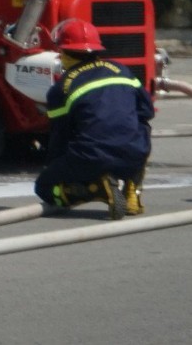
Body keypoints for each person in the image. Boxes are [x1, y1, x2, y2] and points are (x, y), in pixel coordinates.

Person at [35, 18, 153, 218]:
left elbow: (59, 136)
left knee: (44, 188)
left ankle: (96, 189)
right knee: (141, 128)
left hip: (90, 156)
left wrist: (54, 168)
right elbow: (146, 111)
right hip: (134, 154)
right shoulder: (121, 70)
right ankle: (132, 190)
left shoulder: (62, 88)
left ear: (63, 52)